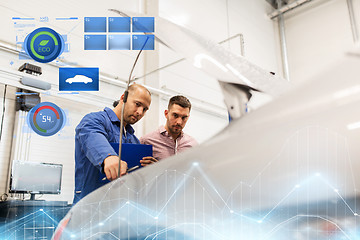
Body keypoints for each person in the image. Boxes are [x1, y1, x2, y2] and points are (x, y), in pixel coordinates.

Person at [73, 83, 155, 204]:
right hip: (88, 207)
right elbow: (93, 136)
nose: (139, 112)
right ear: (123, 98)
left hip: (118, 210)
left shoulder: (133, 139)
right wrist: (108, 157)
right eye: (137, 104)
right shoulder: (94, 120)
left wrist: (149, 171)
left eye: (145, 109)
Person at [140, 95, 198, 165]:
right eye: (175, 115)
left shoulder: (193, 145)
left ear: (188, 117)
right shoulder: (146, 141)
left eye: (184, 117)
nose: (179, 122)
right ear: (166, 114)